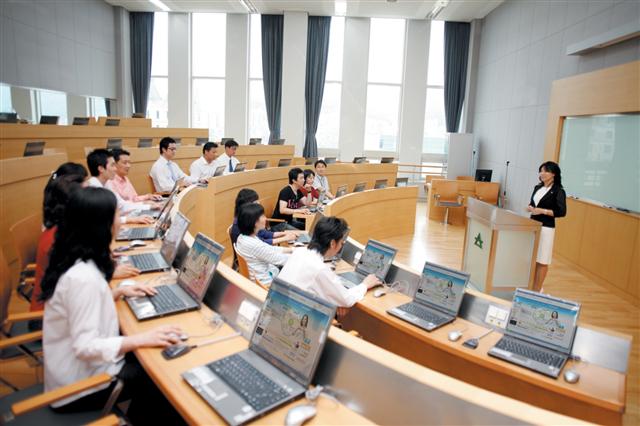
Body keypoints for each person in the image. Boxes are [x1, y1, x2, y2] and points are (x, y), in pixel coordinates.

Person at [40, 187, 184, 424]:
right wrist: (141, 339)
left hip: (82, 371)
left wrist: (116, 292)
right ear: (102, 225)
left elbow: (81, 310)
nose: (121, 221)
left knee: (153, 361)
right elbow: (85, 347)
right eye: (117, 215)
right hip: (79, 386)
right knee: (165, 381)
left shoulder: (76, 260)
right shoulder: (82, 278)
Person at [279, 216, 380, 311]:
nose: (340, 247)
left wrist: (337, 301)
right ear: (332, 243)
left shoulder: (299, 252)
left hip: (282, 308)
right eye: (341, 243)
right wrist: (365, 285)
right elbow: (346, 300)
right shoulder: (320, 269)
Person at [31, 164, 87, 313]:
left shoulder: (62, 229)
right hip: (50, 315)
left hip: (64, 305)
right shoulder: (59, 239)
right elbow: (79, 293)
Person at [86, 149, 154, 225]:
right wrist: (131, 219)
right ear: (101, 168)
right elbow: (105, 219)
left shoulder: (106, 183)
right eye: (112, 165)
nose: (115, 169)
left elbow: (122, 205)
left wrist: (149, 206)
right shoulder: (92, 188)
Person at [527, 161, 566, 292]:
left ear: (554, 174)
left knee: (542, 259)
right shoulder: (537, 188)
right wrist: (530, 208)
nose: (542, 173)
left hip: (546, 228)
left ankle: (538, 289)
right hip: (533, 225)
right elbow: (532, 203)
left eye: (545, 171)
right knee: (533, 258)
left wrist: (542, 211)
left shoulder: (558, 191)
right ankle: (531, 285)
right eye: (541, 171)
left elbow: (561, 212)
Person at [235, 203, 291, 286]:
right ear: (255, 222)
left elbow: (269, 249)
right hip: (266, 283)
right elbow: (282, 260)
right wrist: (300, 254)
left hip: (259, 276)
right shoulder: (254, 245)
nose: (265, 218)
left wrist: (292, 250)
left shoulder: (242, 237)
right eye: (263, 216)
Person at [230, 188, 298, 246]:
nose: (259, 203)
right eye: (256, 202)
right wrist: (285, 238)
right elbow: (260, 243)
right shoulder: (242, 223)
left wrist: (285, 233)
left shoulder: (248, 218)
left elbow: (263, 233)